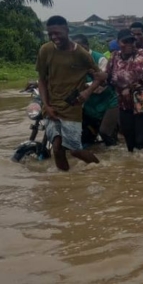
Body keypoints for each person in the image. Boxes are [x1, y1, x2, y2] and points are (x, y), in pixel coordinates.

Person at [36, 16, 103, 171]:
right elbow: (41, 80)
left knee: (75, 150)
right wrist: (46, 105)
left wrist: (87, 92)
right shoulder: (45, 50)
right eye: (50, 34)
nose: (54, 37)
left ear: (67, 30)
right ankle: (65, 181)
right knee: (57, 148)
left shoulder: (81, 54)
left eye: (57, 33)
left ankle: (101, 169)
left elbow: (99, 77)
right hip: (51, 106)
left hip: (72, 107)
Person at [107, 30, 143, 152]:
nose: (129, 44)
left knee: (141, 141)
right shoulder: (114, 56)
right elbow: (106, 74)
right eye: (125, 41)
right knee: (129, 142)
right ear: (118, 42)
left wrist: (111, 79)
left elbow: (133, 75)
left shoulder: (141, 54)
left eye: (132, 41)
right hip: (124, 104)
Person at [72, 35, 119, 147]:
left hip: (108, 103)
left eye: (81, 47)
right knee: (85, 138)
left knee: (106, 134)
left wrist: (82, 86)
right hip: (88, 105)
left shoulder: (100, 59)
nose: (78, 51)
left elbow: (102, 85)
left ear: (87, 46)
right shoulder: (72, 62)